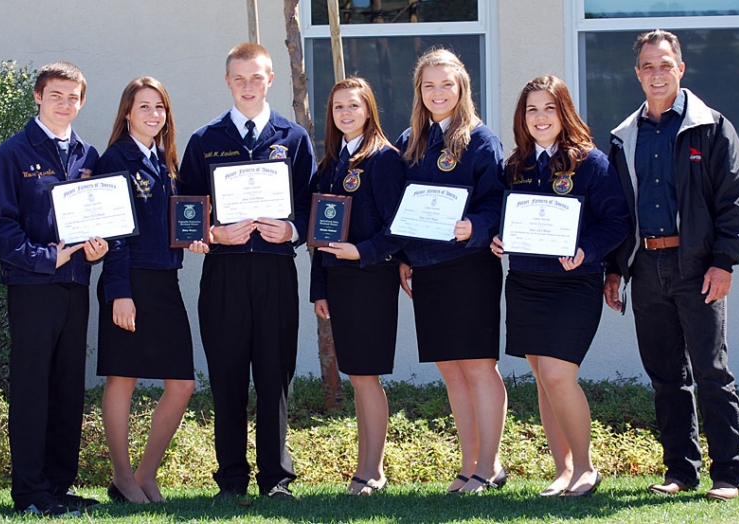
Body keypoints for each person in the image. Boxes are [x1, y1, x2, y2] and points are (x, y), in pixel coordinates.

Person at [603, 29, 739, 502]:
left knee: (711, 371)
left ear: (681, 68)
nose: (656, 73)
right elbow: (617, 212)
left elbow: (737, 201)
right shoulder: (624, 137)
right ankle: (680, 471)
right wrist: (615, 270)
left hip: (697, 268)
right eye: (647, 66)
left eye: (665, 64)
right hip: (645, 267)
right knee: (666, 375)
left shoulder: (711, 127)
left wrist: (723, 262)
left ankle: (728, 474)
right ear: (637, 73)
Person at [179, 42, 315, 501]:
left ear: (270, 79)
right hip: (224, 274)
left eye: (256, 77)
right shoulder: (204, 140)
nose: (248, 86)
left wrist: (291, 230)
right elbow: (188, 216)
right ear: (227, 82)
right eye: (239, 78)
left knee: (276, 373)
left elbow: (312, 209)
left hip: (276, 271)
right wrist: (213, 234)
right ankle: (231, 480)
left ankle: (276, 479)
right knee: (228, 374)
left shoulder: (293, 138)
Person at [491, 76, 629, 497]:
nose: (540, 117)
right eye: (532, 109)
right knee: (542, 378)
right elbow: (505, 217)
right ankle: (562, 470)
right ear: (523, 117)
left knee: (557, 373)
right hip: (526, 282)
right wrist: (497, 238)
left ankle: (586, 468)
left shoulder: (591, 163)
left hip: (574, 285)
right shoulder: (516, 165)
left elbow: (618, 222)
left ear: (564, 111)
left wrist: (587, 250)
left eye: (549, 108)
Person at [0, 61, 106, 516]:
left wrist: (97, 250)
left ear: (82, 102)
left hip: (76, 285)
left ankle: (58, 486)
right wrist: (44, 257)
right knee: (33, 389)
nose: (64, 104)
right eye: (56, 95)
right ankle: (30, 491)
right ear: (38, 96)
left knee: (68, 388)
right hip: (33, 285)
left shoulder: (88, 155)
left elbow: (101, 221)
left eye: (73, 97)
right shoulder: (13, 154)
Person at [395, 48, 508, 494]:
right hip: (427, 269)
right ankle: (468, 464)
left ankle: (489, 464)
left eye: (446, 84)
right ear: (419, 92)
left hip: (469, 266)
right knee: (451, 370)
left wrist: (476, 226)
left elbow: (497, 200)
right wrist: (402, 255)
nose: (437, 92)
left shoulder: (481, 140)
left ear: (461, 88)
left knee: (479, 366)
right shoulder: (412, 139)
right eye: (429, 85)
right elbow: (400, 204)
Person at [96, 77, 195, 504]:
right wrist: (119, 291)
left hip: (165, 282)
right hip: (129, 280)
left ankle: (146, 472)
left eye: (160, 108)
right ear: (127, 113)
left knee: (182, 383)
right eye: (144, 107)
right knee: (123, 376)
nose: (154, 115)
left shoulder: (166, 162)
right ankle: (122, 477)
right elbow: (113, 232)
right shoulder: (115, 159)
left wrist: (194, 236)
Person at [309, 77, 405, 496]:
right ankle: (367, 468)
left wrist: (361, 252)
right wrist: (319, 288)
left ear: (369, 110)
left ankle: (372, 471)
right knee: (356, 376)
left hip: (371, 279)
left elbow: (397, 229)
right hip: (339, 282)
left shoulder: (384, 159)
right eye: (338, 108)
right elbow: (318, 234)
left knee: (366, 377)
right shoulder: (330, 164)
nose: (345, 114)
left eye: (353, 106)